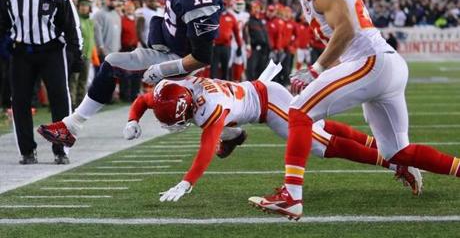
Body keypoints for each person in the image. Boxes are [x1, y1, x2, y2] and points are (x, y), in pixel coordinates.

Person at [248, 0, 460, 220]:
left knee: (298, 111)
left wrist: (315, 69)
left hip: (371, 62)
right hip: (384, 64)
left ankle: (291, 196)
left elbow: (346, 29)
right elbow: (344, 44)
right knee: (397, 152)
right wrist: (321, 73)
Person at [37, 0, 223, 147]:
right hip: (171, 36)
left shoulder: (201, 4)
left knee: (112, 63)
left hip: (182, 56)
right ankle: (230, 134)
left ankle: (71, 126)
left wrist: (162, 70)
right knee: (155, 23)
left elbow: (202, 57)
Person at [122, 70, 420, 202]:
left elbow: (205, 147)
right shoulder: (172, 90)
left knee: (320, 146)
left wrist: (187, 182)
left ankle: (396, 163)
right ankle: (235, 135)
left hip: (267, 105)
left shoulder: (206, 107)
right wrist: (133, 120)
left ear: (188, 105)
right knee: (320, 129)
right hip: (254, 94)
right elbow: (145, 101)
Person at [0, 0, 82, 165]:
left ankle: (61, 150)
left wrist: (77, 53)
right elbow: (1, 24)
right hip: (21, 52)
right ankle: (27, 151)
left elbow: (71, 24)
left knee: (60, 100)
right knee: (19, 101)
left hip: (51, 51)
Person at [69, 0, 95, 108]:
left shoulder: (90, 21)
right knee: (74, 80)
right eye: (82, 6)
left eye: (86, 6)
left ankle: (80, 103)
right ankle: (71, 103)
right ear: (78, 7)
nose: (84, 8)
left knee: (83, 81)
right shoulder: (75, 19)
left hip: (87, 56)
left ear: (89, 8)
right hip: (77, 55)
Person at [211, 10, 242, 80]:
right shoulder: (213, 15)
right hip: (215, 46)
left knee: (225, 70)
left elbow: (236, 33)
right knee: (213, 70)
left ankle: (224, 89)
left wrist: (239, 46)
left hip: (226, 47)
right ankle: (212, 89)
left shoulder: (231, 17)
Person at [119, 0, 141, 102]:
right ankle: (125, 95)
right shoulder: (121, 20)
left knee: (136, 73)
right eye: (127, 8)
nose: (129, 10)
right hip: (125, 49)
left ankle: (134, 94)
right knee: (126, 74)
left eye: (131, 8)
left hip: (135, 49)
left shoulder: (137, 20)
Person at [246, 0, 270, 80]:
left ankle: (258, 88)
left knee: (261, 69)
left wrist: (268, 47)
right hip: (253, 48)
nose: (256, 10)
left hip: (263, 49)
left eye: (257, 7)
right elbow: (245, 34)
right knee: (252, 69)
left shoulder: (261, 21)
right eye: (254, 8)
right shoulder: (248, 20)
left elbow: (265, 35)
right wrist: (248, 45)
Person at [228, 0, 249, 81]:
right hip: (229, 42)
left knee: (240, 63)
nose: (239, 6)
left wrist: (247, 44)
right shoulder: (228, 14)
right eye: (238, 4)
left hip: (240, 42)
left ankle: (237, 81)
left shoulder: (245, 15)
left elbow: (245, 30)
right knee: (228, 64)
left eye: (241, 4)